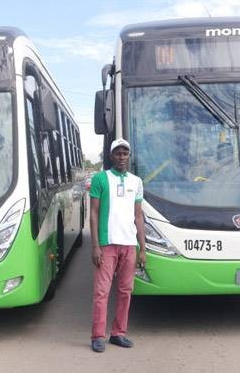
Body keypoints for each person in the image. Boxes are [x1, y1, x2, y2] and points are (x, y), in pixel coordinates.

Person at [89, 138, 146, 353]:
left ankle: (118, 333)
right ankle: (97, 336)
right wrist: (95, 245)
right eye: (118, 153)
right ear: (111, 156)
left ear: (129, 156)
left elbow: (138, 216)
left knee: (125, 291)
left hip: (129, 245)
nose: (122, 157)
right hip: (107, 244)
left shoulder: (136, 181)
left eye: (125, 153)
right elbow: (93, 213)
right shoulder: (100, 179)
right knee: (102, 292)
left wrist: (143, 247)